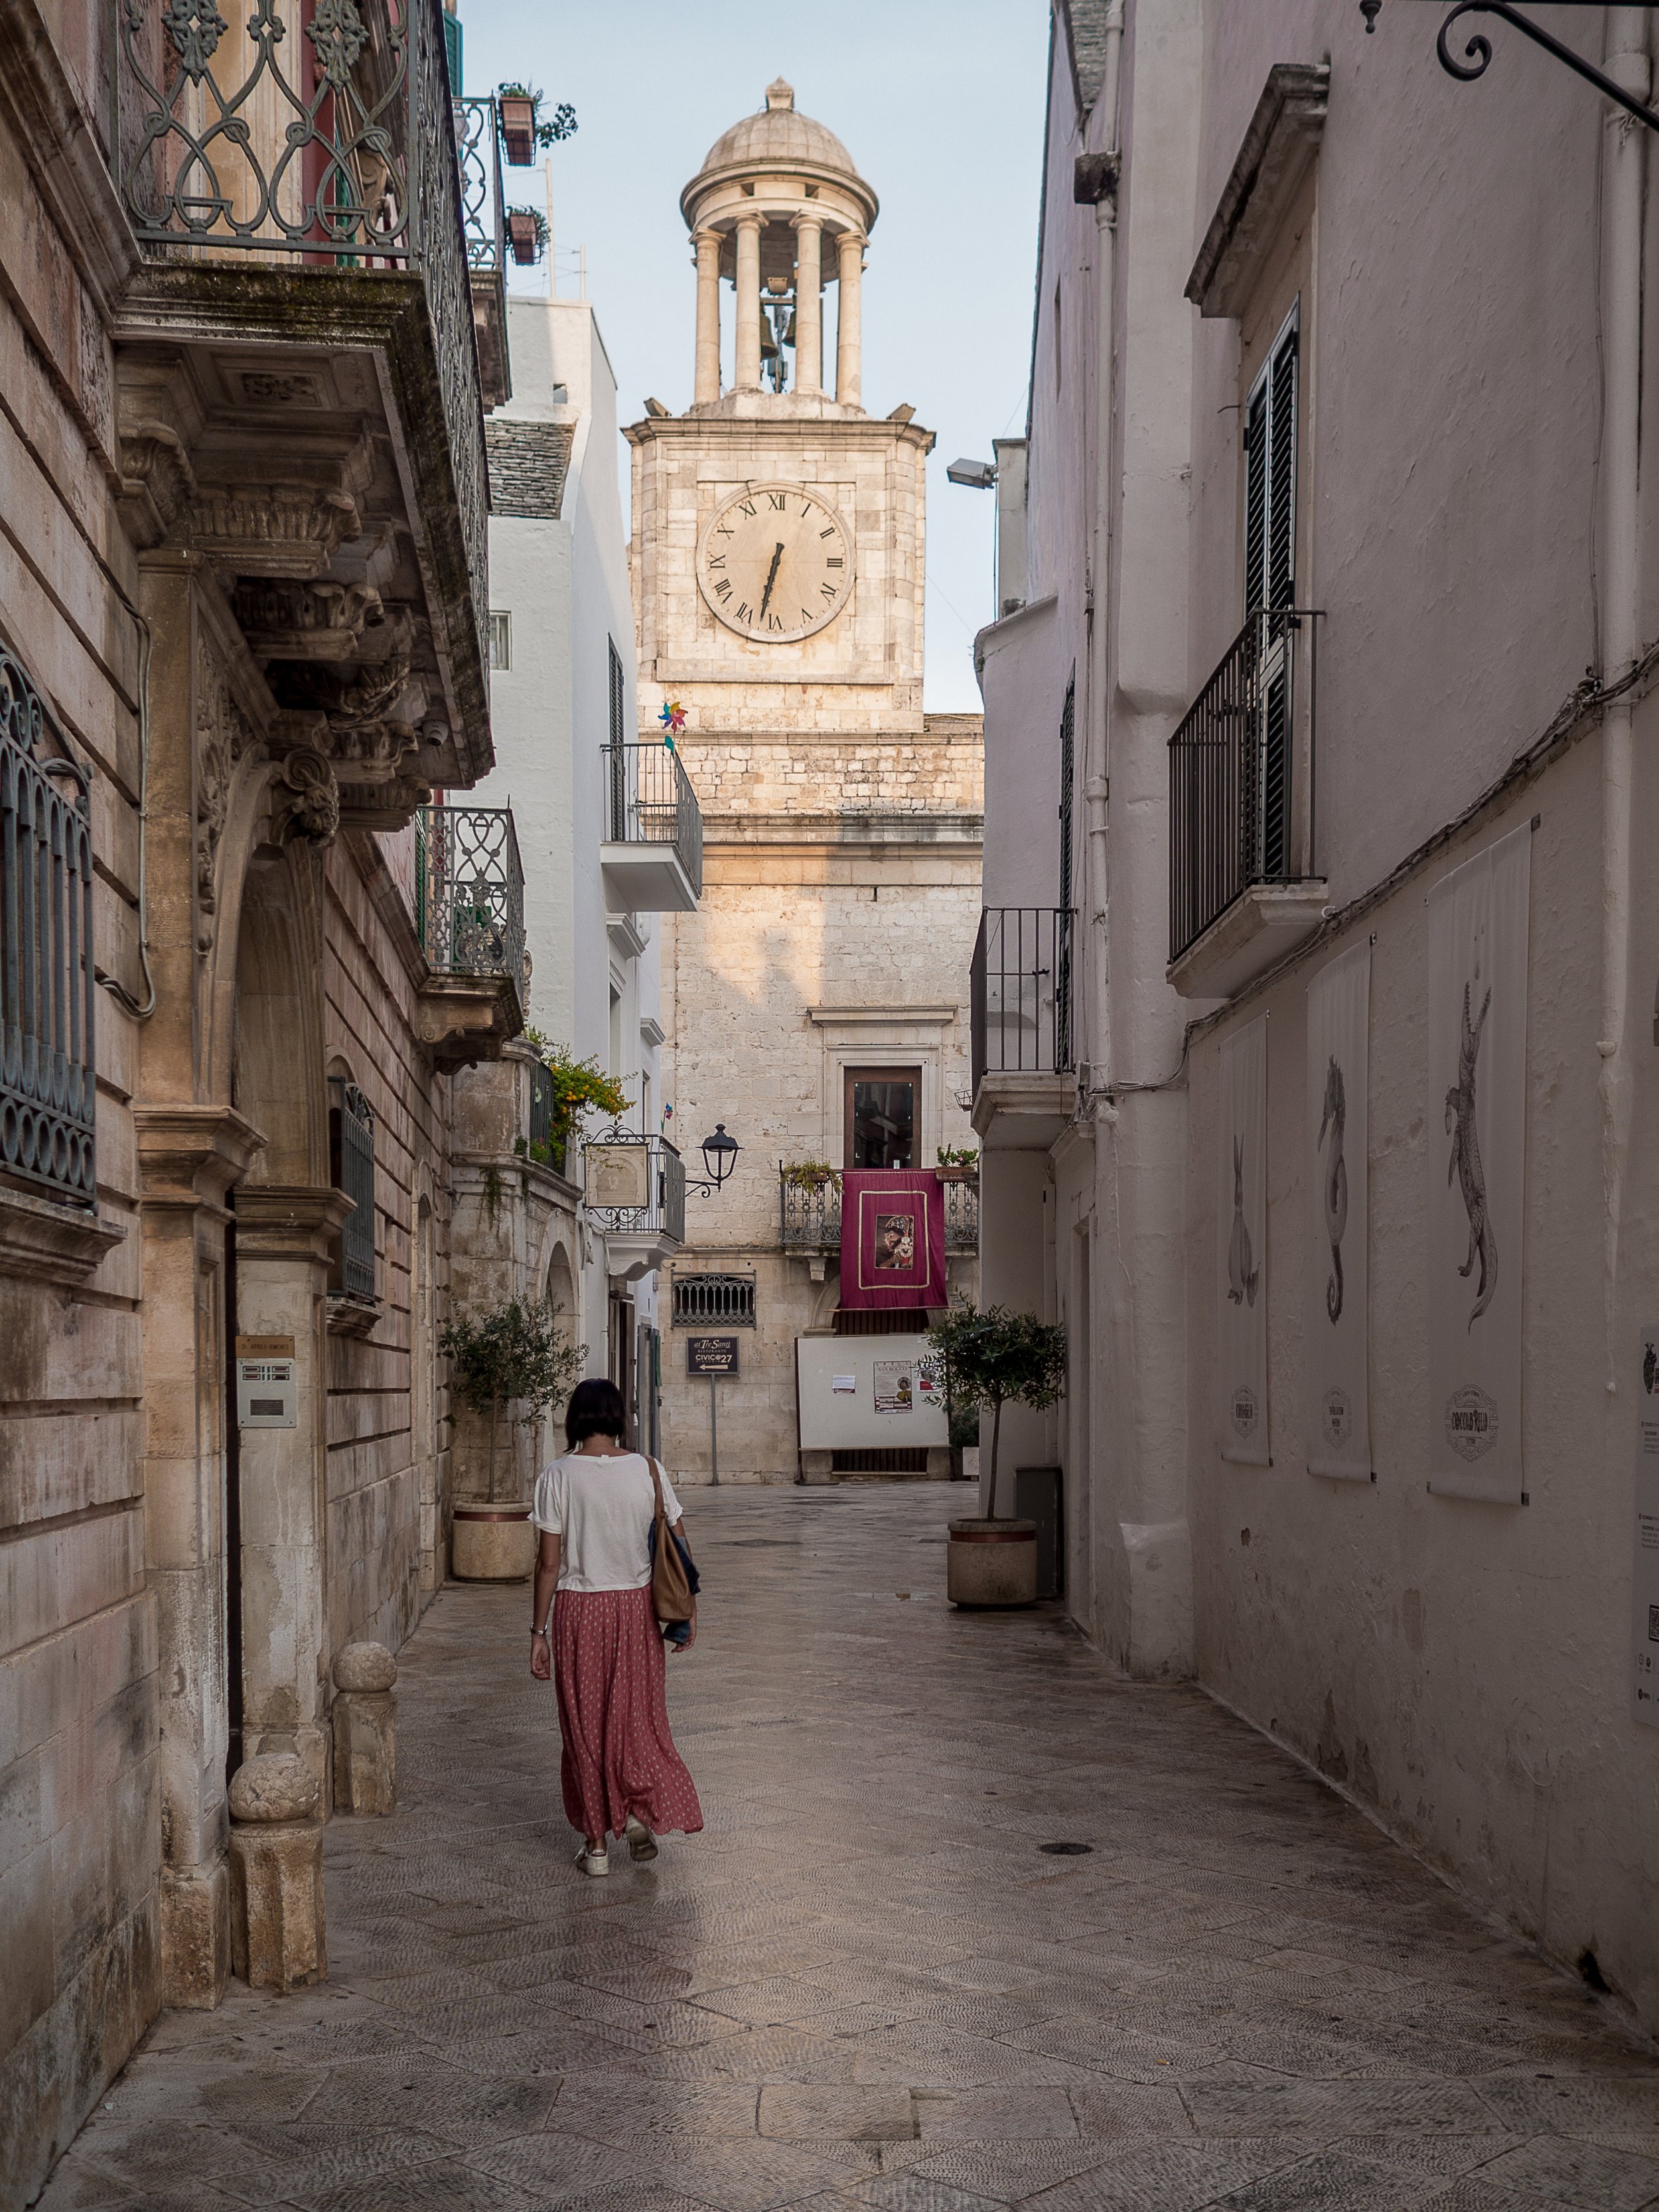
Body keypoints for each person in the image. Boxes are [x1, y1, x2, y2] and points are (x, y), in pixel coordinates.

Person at [529, 1378, 703, 1876]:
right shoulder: (648, 1470)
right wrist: (688, 1609)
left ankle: (597, 1846)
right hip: (636, 1611)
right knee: (635, 1720)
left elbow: (548, 1564)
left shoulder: (558, 1475)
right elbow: (679, 1542)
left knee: (585, 1729)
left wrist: (537, 1633)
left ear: (575, 1420)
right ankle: (632, 1808)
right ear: (619, 1418)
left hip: (579, 1611)